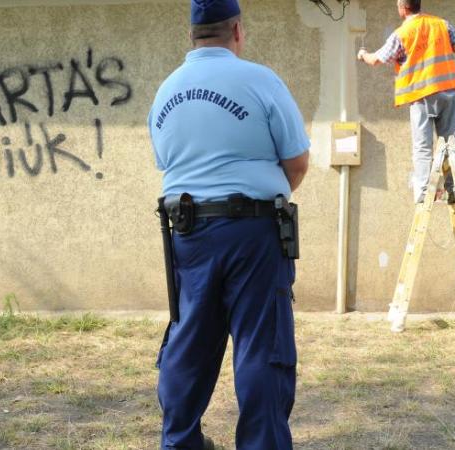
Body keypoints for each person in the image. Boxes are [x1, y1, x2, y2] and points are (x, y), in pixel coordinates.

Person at [147, 0, 310, 448]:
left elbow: (167, 162)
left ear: (191, 36)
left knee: (189, 341)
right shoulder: (259, 79)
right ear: (237, 30)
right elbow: (296, 162)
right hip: (253, 234)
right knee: (261, 347)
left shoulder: (166, 91)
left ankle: (179, 441)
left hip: (187, 233)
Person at [357, 0, 455, 204]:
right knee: (451, 142)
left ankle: (425, 191)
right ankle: (452, 188)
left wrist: (363, 54)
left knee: (423, 146)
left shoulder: (402, 33)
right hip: (448, 90)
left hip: (421, 96)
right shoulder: (443, 24)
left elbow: (376, 60)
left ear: (403, 8)